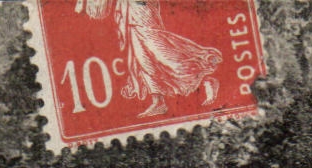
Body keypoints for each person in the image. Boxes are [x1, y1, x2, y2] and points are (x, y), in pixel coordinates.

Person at [78, 0, 223, 117]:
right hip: (129, 10)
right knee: (142, 58)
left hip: (142, 7)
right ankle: (158, 101)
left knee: (160, 53)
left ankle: (204, 75)